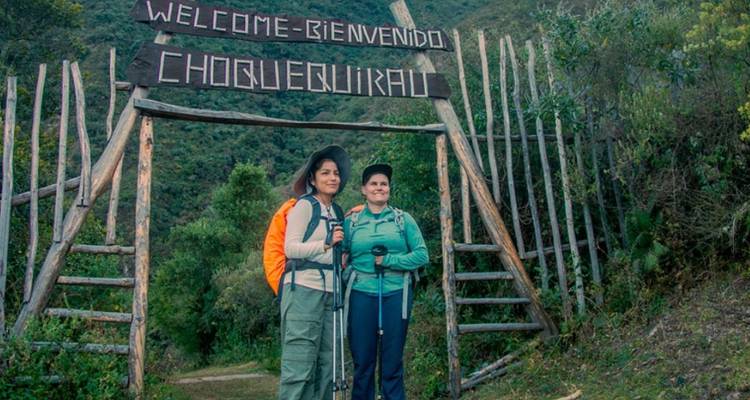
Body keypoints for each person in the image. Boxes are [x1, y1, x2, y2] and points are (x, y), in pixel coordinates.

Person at [344, 163, 428, 400]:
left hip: (396, 293)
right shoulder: (352, 222)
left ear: (389, 188)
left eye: (384, 184)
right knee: (363, 360)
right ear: (363, 189)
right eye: (374, 183)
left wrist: (389, 260)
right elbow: (341, 252)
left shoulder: (403, 219)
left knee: (392, 361)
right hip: (360, 292)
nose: (379, 188)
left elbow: (422, 255)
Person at [279, 145, 351, 400]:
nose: (333, 178)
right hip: (304, 290)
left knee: (329, 364)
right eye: (325, 173)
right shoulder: (304, 206)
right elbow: (291, 248)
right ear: (312, 178)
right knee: (300, 362)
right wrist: (325, 244)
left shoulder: (337, 211)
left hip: (332, 293)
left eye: (336, 173)